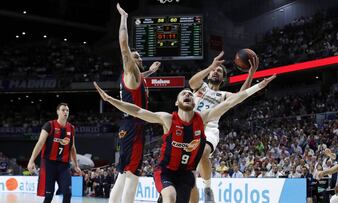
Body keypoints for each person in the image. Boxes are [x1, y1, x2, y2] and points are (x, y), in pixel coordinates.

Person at [94, 73, 275, 203]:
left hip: (185, 174)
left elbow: (231, 101)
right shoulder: (167, 119)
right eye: (184, 93)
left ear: (195, 102)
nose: (188, 94)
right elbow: (138, 110)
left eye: (190, 93)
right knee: (170, 196)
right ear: (177, 102)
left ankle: (204, 187)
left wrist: (259, 86)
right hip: (165, 171)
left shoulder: (202, 118)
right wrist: (111, 100)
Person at [188, 51, 258, 202]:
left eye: (219, 71)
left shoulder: (223, 95)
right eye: (214, 70)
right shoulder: (200, 86)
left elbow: (240, 97)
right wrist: (210, 66)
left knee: (202, 152)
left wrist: (250, 74)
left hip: (209, 129)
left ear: (223, 78)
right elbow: (191, 83)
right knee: (189, 176)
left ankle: (207, 187)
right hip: (190, 127)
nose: (215, 71)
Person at [109, 3, 161, 203]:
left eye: (138, 56)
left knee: (123, 174)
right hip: (134, 126)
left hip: (127, 125)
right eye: (134, 56)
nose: (136, 58)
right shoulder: (131, 70)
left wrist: (151, 72)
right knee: (132, 175)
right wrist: (124, 18)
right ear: (130, 61)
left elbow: (140, 78)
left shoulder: (134, 77)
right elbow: (124, 45)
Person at [27, 103, 81, 203]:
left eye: (67, 110)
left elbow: (72, 147)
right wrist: (31, 161)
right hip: (49, 164)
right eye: (63, 110)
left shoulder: (71, 128)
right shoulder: (49, 125)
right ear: (57, 112)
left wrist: (76, 165)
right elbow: (40, 143)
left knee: (67, 193)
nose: (65, 112)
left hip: (64, 166)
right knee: (49, 195)